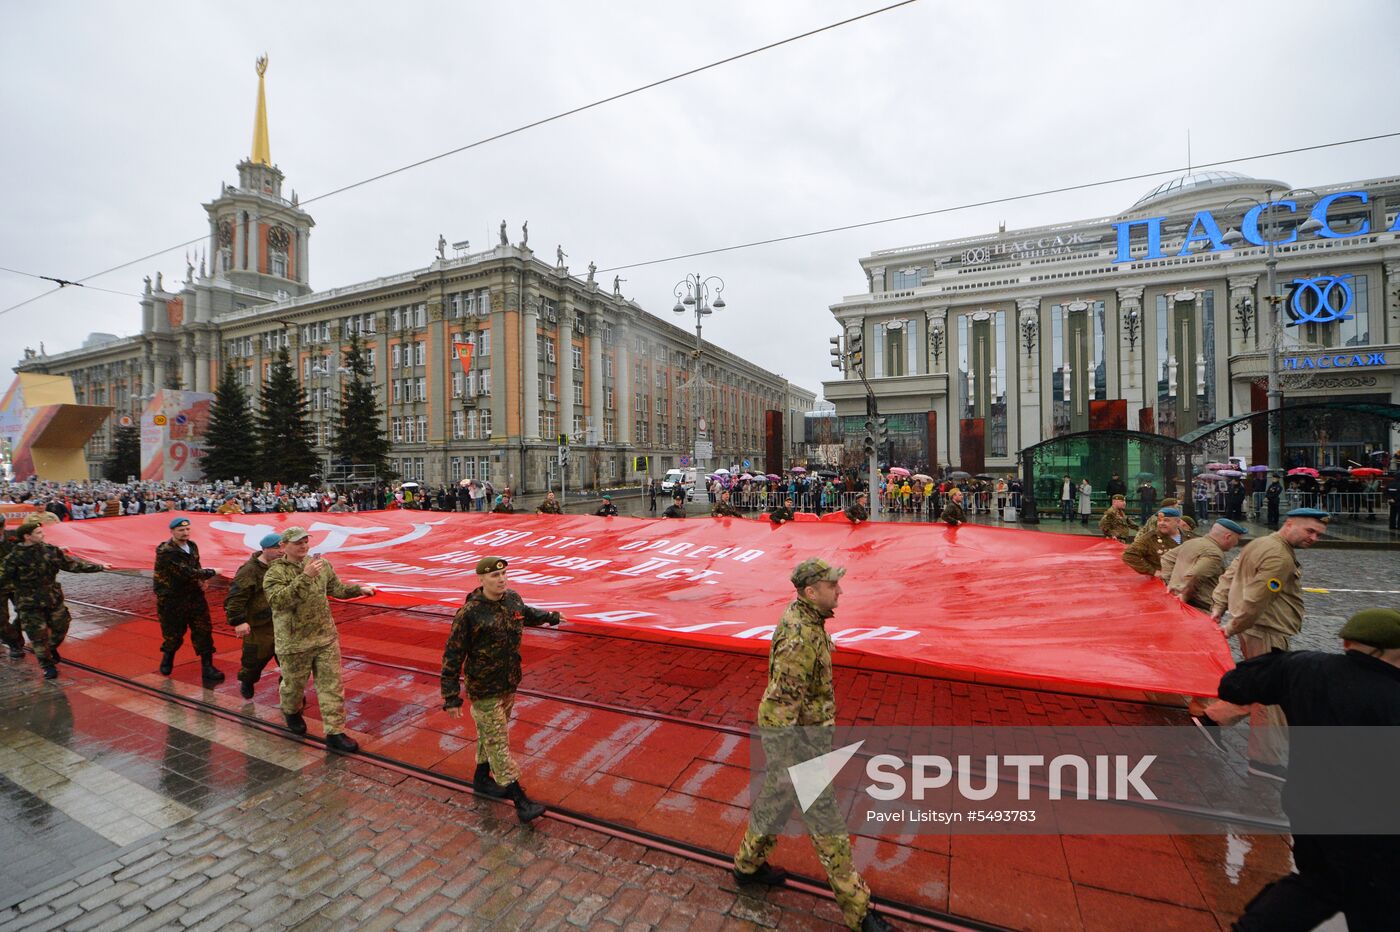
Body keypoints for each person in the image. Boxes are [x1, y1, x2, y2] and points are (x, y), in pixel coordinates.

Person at [732, 558, 894, 932]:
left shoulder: (808, 619)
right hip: (799, 747)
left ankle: (747, 866)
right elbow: (777, 706)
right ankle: (860, 911)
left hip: (804, 739)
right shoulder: (800, 636)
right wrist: (788, 763)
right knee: (829, 831)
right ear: (810, 592)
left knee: (773, 803)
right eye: (833, 585)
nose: (840, 590)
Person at [1214, 608, 1400, 930]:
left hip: (1310, 811)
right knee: (1373, 900)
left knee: (1318, 883)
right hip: (1377, 831)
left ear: (1347, 643)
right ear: (1388, 652)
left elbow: (1233, 685)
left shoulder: (1303, 667)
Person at [1207, 507, 1328, 781]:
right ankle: (1263, 760)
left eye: (1318, 534)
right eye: (1310, 531)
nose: (1314, 538)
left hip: (1258, 628)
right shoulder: (1279, 555)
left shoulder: (1261, 544)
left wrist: (1219, 606)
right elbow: (1257, 598)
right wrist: (1232, 625)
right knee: (1270, 694)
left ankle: (1214, 719)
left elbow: (1230, 574)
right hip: (1266, 630)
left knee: (1266, 688)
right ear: (1290, 524)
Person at [440, 556, 561, 823]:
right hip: (484, 689)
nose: (502, 579)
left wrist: (551, 617)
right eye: (495, 576)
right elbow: (452, 655)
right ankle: (520, 800)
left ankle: (481, 778)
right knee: (498, 741)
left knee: (491, 735)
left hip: (508, 683)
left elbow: (526, 614)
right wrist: (451, 696)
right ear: (481, 580)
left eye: (504, 574)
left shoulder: (512, 599)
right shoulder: (469, 614)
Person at [263, 526, 376, 753]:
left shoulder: (321, 565)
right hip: (294, 642)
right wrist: (305, 577)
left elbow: (336, 589)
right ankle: (292, 711)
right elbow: (278, 602)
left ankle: (335, 731)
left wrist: (358, 590)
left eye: (306, 541)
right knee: (294, 687)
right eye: (298, 543)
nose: (304, 546)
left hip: (325, 637)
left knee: (332, 686)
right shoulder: (275, 573)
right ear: (284, 546)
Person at [0, 520, 108, 679]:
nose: (43, 535)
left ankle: (50, 648)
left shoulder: (51, 551)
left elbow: (71, 565)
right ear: (27, 536)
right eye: (38, 533)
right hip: (29, 602)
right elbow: (2, 578)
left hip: (52, 597)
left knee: (61, 626)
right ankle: (47, 665)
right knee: (37, 636)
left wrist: (99, 566)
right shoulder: (13, 558)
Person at [154, 517, 224, 686]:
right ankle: (168, 656)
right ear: (172, 532)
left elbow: (195, 566)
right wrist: (211, 572)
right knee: (174, 634)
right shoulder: (166, 551)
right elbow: (186, 571)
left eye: (187, 530)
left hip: (194, 596)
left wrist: (201, 580)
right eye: (180, 530)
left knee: (203, 630)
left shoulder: (192, 546)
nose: (185, 533)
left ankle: (207, 667)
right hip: (172, 599)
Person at [224, 533, 283, 700]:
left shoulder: (282, 566)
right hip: (259, 626)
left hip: (282, 623)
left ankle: (290, 694)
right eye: (276, 548)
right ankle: (247, 681)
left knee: (290, 664)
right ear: (264, 549)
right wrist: (238, 621)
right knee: (254, 662)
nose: (281, 551)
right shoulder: (249, 570)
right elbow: (235, 598)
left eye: (282, 547)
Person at [1163, 518, 1246, 610]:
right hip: (1198, 606)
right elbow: (1196, 576)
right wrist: (1184, 596)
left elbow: (1167, 559)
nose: (1236, 543)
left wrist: (1170, 583)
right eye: (1237, 539)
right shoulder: (1214, 553)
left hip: (1179, 601)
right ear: (1228, 536)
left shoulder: (1193, 542)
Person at [1121, 508, 1191, 577]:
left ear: (1178, 522)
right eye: (1159, 520)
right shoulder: (1149, 538)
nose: (1161, 523)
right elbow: (1128, 555)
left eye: (1166, 520)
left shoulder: (1191, 537)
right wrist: (1153, 571)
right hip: (1164, 583)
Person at [0, 514, 19, 659]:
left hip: (17, 583)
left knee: (27, 614)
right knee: (1, 620)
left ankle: (14, 636)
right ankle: (14, 643)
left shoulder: (13, 535)